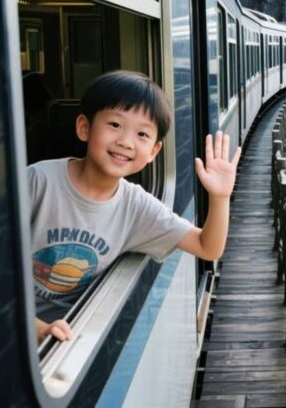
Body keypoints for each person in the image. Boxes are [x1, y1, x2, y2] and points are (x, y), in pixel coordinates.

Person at [29, 71, 241, 342]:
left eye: (142, 134)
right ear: (84, 127)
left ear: (153, 152)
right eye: (115, 125)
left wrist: (220, 197)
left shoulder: (137, 207)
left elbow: (207, 247)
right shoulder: (38, 181)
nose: (126, 141)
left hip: (62, 338)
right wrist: (39, 329)